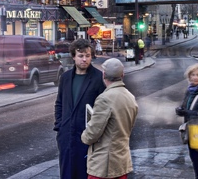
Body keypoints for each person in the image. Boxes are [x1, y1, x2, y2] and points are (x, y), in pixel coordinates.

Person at [54, 38, 106, 179]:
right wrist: (60, 126)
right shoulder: (65, 78)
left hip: (87, 137)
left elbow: (103, 109)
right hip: (66, 135)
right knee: (66, 173)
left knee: (85, 173)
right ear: (73, 57)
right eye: (81, 56)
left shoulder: (98, 78)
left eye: (87, 56)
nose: (84, 59)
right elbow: (59, 103)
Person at [81, 58, 138, 179]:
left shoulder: (105, 99)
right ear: (122, 75)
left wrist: (84, 136)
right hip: (122, 160)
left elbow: (93, 133)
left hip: (104, 164)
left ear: (104, 75)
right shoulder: (130, 97)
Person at [175, 63, 198, 179]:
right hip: (190, 126)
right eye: (193, 75)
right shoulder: (189, 90)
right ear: (189, 77)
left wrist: (187, 112)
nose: (195, 77)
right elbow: (185, 106)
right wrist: (180, 110)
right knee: (194, 157)